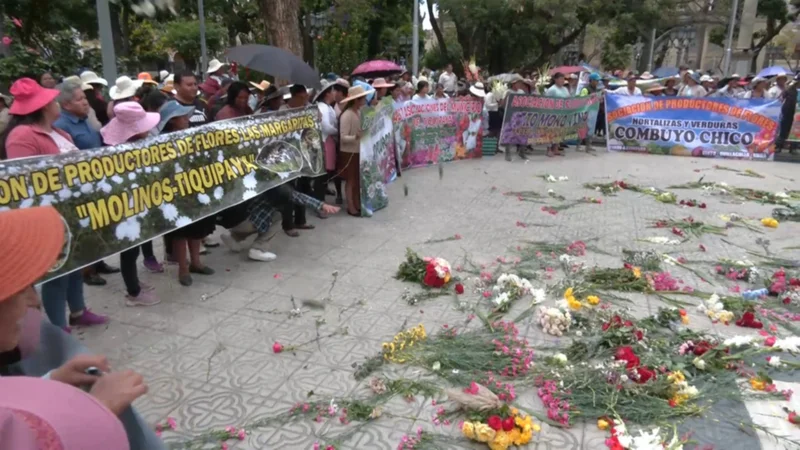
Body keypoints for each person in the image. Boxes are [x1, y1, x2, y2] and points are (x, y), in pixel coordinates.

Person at [0, 78, 109, 330]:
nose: (55, 102)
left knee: (75, 264)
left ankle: (79, 310)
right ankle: (59, 327)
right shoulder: (21, 136)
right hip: (49, 214)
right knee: (56, 273)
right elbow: (26, 181)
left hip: (71, 209)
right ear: (42, 106)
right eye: (51, 100)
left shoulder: (58, 132)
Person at [100, 103, 162, 306]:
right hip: (126, 206)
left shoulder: (134, 147)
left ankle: (134, 281)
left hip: (138, 202)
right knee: (130, 248)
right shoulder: (118, 153)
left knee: (134, 246)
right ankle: (133, 292)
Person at [157, 101, 216, 286]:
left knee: (197, 228)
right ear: (172, 121)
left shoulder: (190, 134)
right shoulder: (162, 140)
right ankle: (183, 268)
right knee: (180, 232)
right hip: (174, 190)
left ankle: (196, 262)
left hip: (194, 185)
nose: (187, 119)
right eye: (182, 117)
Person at [220, 184, 341, 261]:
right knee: (276, 217)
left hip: (233, 220)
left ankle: (235, 239)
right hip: (245, 221)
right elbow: (297, 196)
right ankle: (259, 248)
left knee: (257, 217)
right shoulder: (275, 185)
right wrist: (321, 205)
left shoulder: (257, 177)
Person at [339, 86, 369, 216]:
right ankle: (350, 206)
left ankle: (357, 203)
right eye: (363, 97)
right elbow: (343, 137)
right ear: (357, 99)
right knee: (350, 180)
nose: (365, 99)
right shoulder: (347, 115)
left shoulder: (358, 111)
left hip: (358, 150)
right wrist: (356, 137)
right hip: (349, 151)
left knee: (356, 179)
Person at [315, 80, 342, 205]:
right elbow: (325, 126)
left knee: (326, 173)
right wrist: (338, 131)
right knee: (323, 174)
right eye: (332, 91)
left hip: (328, 141)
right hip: (325, 142)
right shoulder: (322, 108)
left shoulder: (327, 107)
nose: (334, 93)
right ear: (326, 94)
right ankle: (320, 202)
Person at [544, 72, 571, 157]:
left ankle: (555, 148)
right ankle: (549, 150)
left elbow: (569, 100)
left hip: (563, 114)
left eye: (563, 79)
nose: (562, 81)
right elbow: (546, 101)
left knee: (559, 132)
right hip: (552, 114)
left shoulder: (565, 89)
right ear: (555, 80)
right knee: (551, 132)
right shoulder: (552, 89)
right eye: (560, 79)